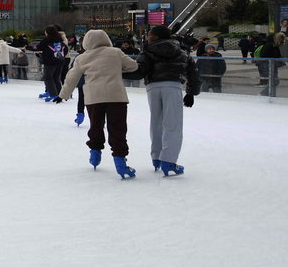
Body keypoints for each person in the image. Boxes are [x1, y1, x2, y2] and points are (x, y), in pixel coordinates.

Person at [53, 30, 139, 178]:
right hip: (116, 97)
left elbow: (71, 77)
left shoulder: (82, 57)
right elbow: (133, 66)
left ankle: (95, 155)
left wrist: (63, 95)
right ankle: (120, 162)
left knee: (96, 125)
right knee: (117, 128)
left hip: (93, 97)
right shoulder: (116, 52)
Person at [124, 24, 200, 176]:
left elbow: (139, 72)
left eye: (150, 35)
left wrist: (118, 73)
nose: (148, 38)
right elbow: (193, 72)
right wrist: (191, 93)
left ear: (156, 37)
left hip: (153, 88)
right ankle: (169, 160)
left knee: (156, 122)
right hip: (173, 86)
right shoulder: (181, 51)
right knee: (172, 123)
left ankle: (157, 157)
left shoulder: (147, 51)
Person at [39, 25, 67, 101]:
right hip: (60, 60)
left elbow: (39, 47)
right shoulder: (60, 38)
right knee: (56, 77)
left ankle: (53, 94)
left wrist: (28, 48)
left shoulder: (48, 40)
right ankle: (59, 94)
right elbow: (65, 48)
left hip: (51, 61)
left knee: (48, 77)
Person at [258, 33, 285, 97]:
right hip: (267, 65)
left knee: (273, 81)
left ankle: (271, 95)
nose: (281, 40)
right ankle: (263, 94)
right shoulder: (269, 45)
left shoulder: (275, 46)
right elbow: (263, 55)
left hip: (272, 65)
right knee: (274, 81)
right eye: (280, 38)